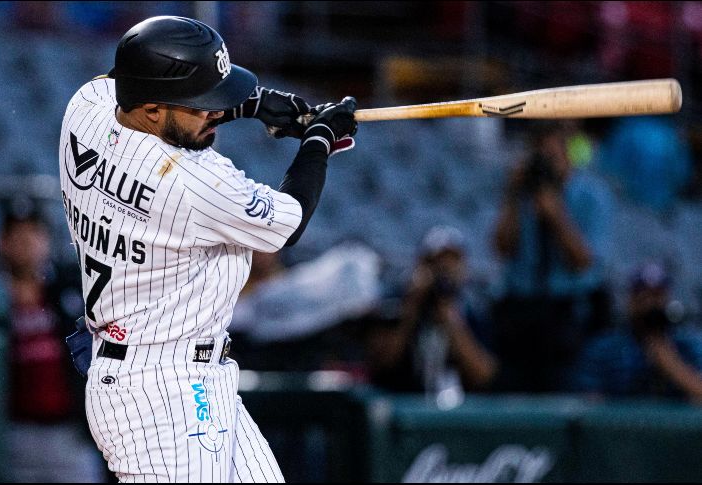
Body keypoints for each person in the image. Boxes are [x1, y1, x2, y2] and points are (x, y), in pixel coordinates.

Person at [58, 16, 357, 483]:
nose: (214, 112)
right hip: (159, 397)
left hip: (178, 373)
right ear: (153, 110)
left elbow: (121, 81)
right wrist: (319, 140)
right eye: (202, 104)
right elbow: (287, 222)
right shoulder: (189, 181)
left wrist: (249, 105)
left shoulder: (87, 109)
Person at [492, 122, 614, 392]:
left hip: (567, 314)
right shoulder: (522, 194)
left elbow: (583, 261)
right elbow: (502, 247)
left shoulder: (590, 195)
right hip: (521, 310)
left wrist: (555, 214)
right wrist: (512, 195)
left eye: (553, 154)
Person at [0, 201, 105, 482]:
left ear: (46, 239)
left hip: (69, 433)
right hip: (14, 433)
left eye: (33, 233)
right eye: (16, 234)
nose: (25, 241)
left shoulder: (72, 287)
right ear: (2, 242)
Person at [363, 226, 497, 397]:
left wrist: (450, 319)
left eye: (451, 263)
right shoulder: (397, 304)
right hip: (404, 402)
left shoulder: (472, 310)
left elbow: (484, 375)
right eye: (436, 264)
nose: (444, 271)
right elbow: (382, 362)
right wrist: (412, 306)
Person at [573, 262, 702, 402]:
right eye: (642, 294)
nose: (650, 303)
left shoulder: (687, 346)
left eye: (657, 294)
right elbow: (587, 403)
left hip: (674, 423)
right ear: (630, 299)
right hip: (618, 423)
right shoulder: (604, 348)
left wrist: (669, 362)